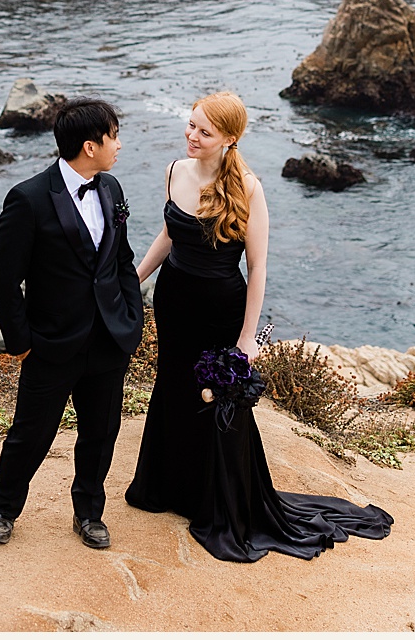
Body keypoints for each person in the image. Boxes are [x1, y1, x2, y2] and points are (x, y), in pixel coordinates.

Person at [123, 91, 393, 562]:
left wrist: (247, 339)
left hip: (218, 312)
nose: (192, 136)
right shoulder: (175, 171)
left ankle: (217, 502)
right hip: (173, 305)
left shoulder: (249, 187)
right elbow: (169, 234)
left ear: (229, 138)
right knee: (173, 389)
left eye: (204, 131)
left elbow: (258, 267)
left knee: (217, 405)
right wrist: (132, 279)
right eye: (190, 125)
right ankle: (170, 489)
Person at [0, 98, 147, 549]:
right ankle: (4, 509)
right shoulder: (28, 198)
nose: (120, 144)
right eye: (114, 136)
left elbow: (123, 260)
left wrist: (133, 319)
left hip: (109, 340)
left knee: (101, 433)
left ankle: (89, 514)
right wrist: (20, 342)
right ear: (90, 146)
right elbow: (3, 276)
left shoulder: (110, 188)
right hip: (50, 344)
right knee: (31, 435)